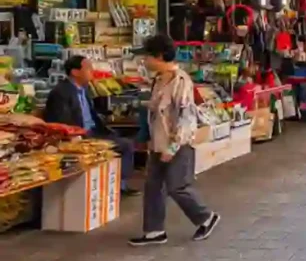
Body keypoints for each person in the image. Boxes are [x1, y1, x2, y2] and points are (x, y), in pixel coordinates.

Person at [129, 35, 220, 246]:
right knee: (153, 185)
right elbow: (159, 111)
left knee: (177, 186)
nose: (144, 61)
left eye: (147, 56)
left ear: (159, 56)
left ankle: (205, 217)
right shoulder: (158, 80)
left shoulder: (181, 81)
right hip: (158, 142)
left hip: (177, 144)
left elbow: (186, 117)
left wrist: (172, 146)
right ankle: (154, 231)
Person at [44, 55, 139, 196]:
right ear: (75, 72)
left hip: (94, 130)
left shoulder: (84, 89)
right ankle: (119, 186)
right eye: (88, 68)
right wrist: (79, 137)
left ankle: (119, 184)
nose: (92, 70)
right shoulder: (60, 93)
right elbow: (61, 121)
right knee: (124, 145)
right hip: (80, 136)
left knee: (125, 142)